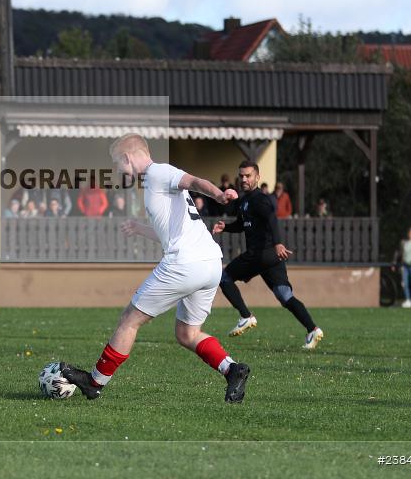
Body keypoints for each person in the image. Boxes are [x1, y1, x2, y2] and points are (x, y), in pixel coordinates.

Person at [61, 134, 250, 404]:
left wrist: (219, 195)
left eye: (118, 164)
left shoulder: (158, 172)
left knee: (130, 320)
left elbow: (195, 181)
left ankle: (94, 382)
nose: (118, 170)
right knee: (188, 334)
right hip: (209, 263)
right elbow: (170, 231)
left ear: (127, 157)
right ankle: (232, 369)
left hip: (184, 263)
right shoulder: (156, 182)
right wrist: (140, 229)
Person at [214, 161, 324, 349]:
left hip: (261, 253)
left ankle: (246, 316)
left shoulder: (259, 199)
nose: (244, 179)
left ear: (257, 177)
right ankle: (313, 329)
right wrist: (226, 227)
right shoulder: (244, 201)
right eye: (241, 176)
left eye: (248, 176)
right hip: (270, 257)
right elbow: (242, 225)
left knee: (224, 277)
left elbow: (272, 218)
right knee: (284, 295)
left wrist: (278, 243)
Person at [392, 227, 411, 309]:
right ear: (408, 233)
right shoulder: (403, 242)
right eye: (410, 233)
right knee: (404, 283)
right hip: (404, 265)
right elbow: (398, 253)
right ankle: (407, 299)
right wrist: (394, 263)